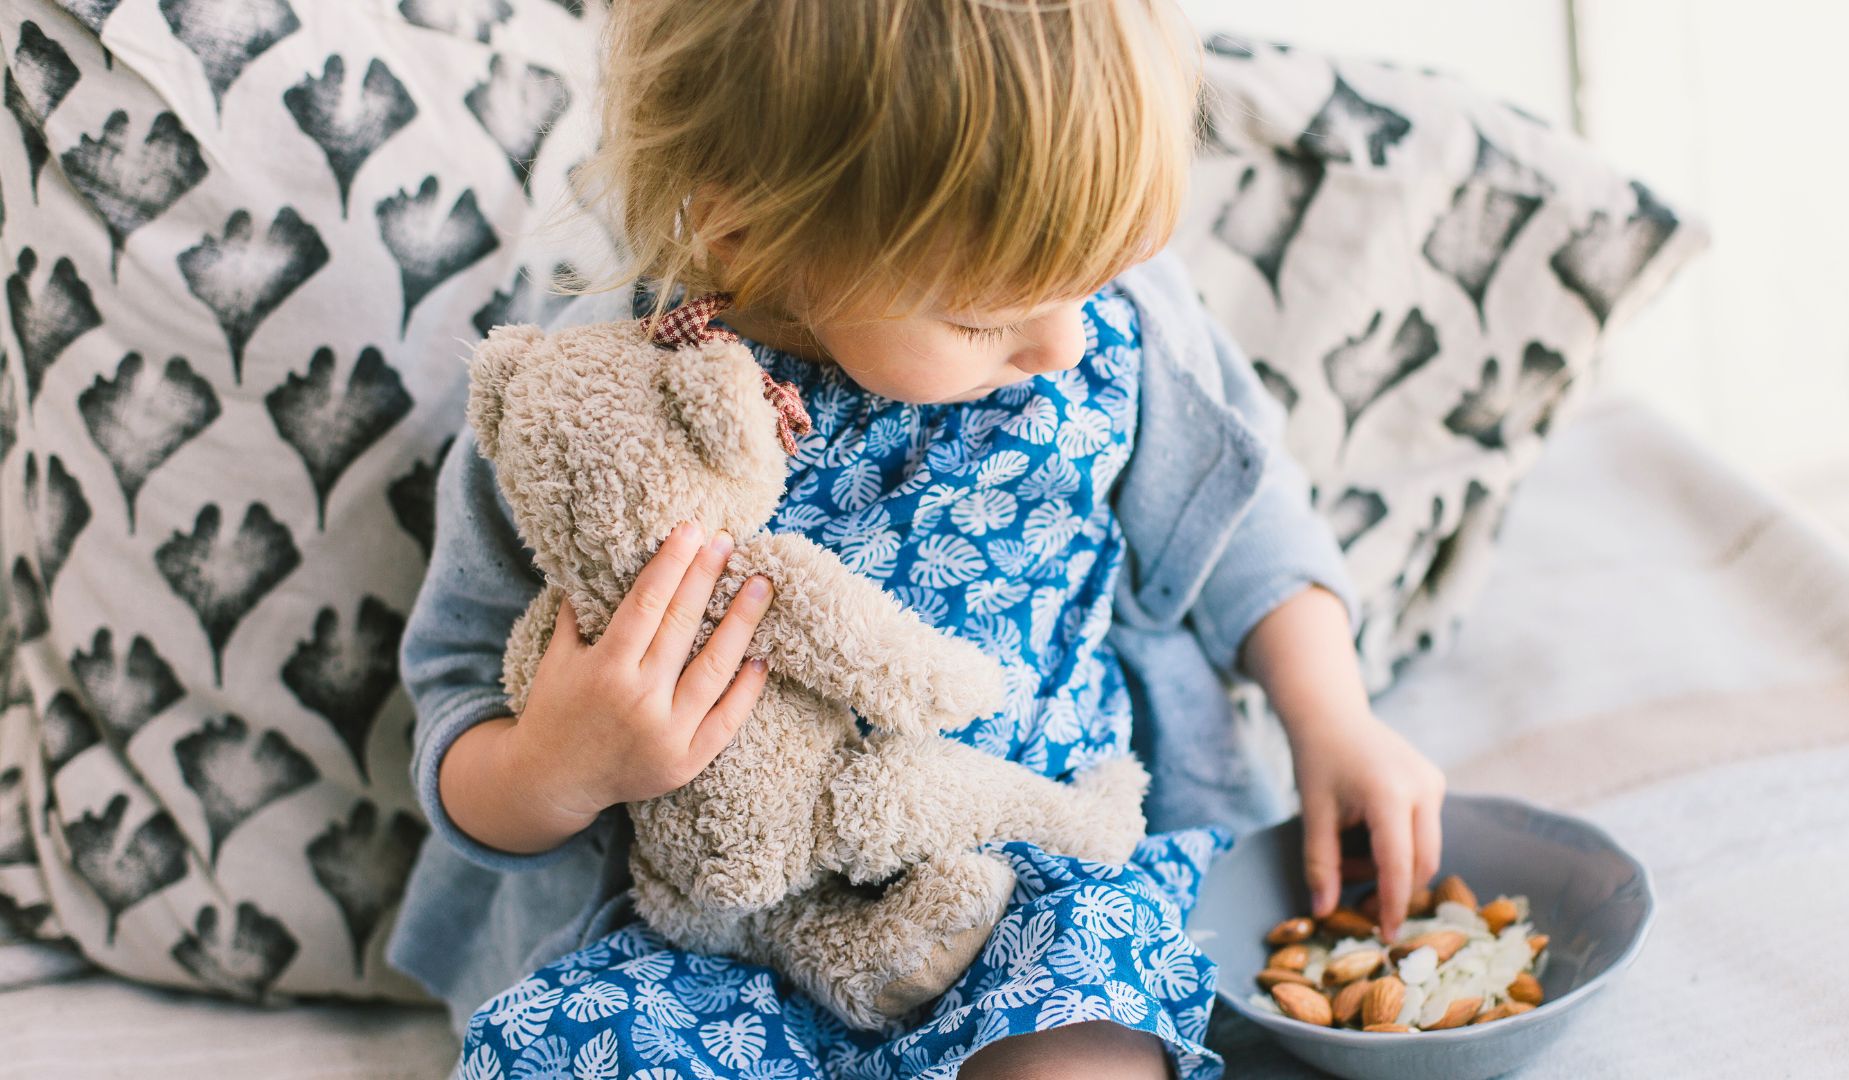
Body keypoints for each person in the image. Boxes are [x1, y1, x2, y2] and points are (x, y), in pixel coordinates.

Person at [387, 1, 1446, 1075]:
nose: (1060, 340)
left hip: (1040, 889)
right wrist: (558, 766)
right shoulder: (590, 415)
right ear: (746, 233)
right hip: (708, 936)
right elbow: (458, 689)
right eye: (986, 316)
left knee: (1086, 1053)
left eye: (1096, 275)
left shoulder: (1100, 316)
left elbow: (1243, 523)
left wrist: (1333, 719)